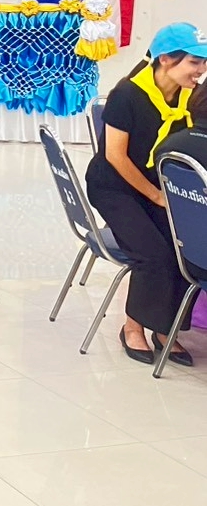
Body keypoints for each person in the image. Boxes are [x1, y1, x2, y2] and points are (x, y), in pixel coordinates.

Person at [87, 22, 207, 367]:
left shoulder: (188, 96)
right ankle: (133, 327)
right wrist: (155, 196)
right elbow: (115, 156)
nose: (201, 71)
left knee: (185, 249)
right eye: (194, 62)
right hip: (115, 187)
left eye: (203, 63)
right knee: (152, 253)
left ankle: (166, 329)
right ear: (166, 59)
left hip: (159, 187)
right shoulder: (127, 94)